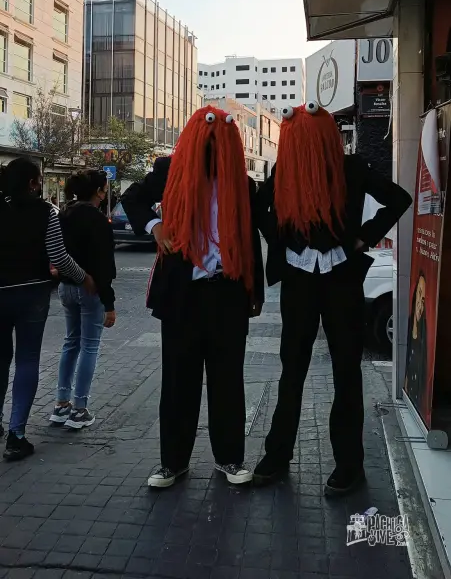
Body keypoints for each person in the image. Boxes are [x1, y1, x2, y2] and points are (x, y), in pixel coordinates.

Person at [253, 101, 412, 495]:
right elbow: (259, 208)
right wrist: (283, 237)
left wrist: (363, 237)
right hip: (300, 282)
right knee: (292, 371)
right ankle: (278, 455)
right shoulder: (283, 171)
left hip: (341, 278)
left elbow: (399, 199)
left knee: (346, 372)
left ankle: (349, 464)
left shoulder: (351, 168)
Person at [122, 106, 264, 488]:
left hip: (228, 293)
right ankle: (173, 463)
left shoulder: (243, 183)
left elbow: (251, 241)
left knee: (228, 380)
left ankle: (230, 459)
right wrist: (155, 226)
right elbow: (131, 198)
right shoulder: (170, 169)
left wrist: (256, 292)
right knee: (178, 381)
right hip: (183, 295)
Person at [0, 158, 93, 461]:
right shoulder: (46, 212)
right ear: (32, 182)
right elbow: (59, 257)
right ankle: (16, 435)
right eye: (38, 179)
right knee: (27, 359)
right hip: (31, 293)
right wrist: (84, 277)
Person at [50, 169, 117, 430]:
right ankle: (80, 408)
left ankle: (60, 404)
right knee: (89, 346)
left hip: (67, 286)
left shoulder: (64, 214)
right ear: (98, 192)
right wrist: (109, 304)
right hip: (90, 288)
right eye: (104, 189)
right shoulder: (97, 220)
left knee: (71, 343)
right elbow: (104, 265)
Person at [404, 272, 428, 419]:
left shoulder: (423, 336)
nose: (420, 304)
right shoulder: (407, 327)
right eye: (419, 295)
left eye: (424, 300)